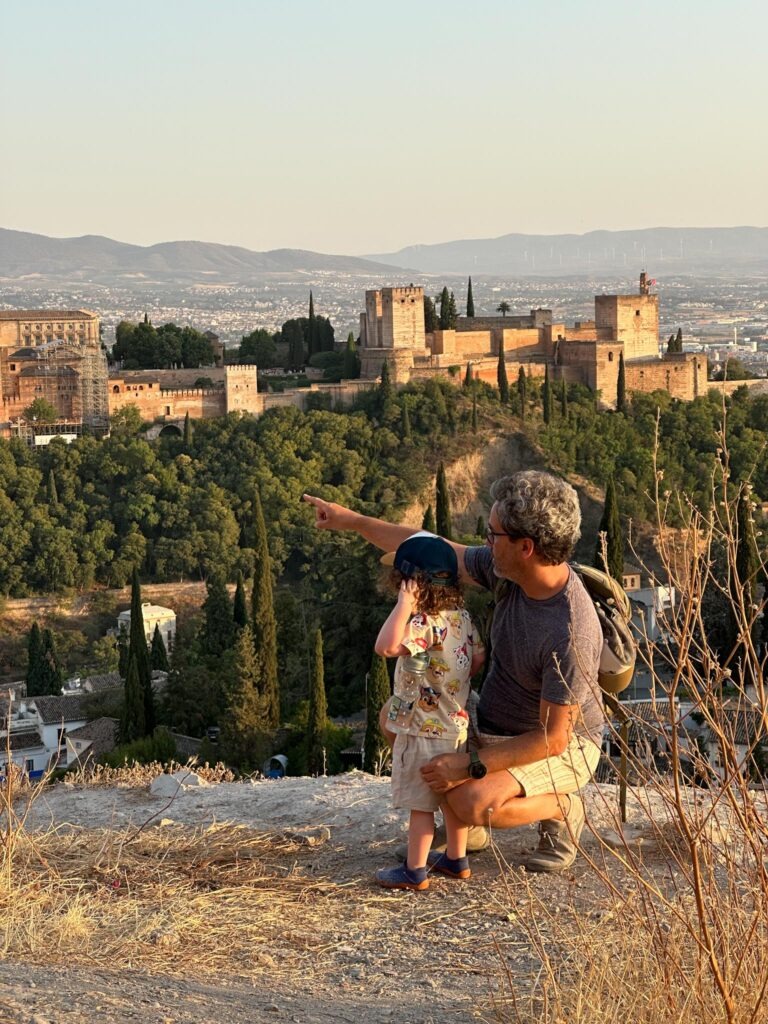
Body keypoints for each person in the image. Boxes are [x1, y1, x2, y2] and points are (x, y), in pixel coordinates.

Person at [303, 469, 604, 873]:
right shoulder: (507, 570)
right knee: (398, 718)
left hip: (560, 743)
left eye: (493, 534)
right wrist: (353, 521)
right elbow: (433, 549)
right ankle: (466, 830)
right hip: (491, 722)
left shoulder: (570, 629)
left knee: (472, 801)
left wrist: (469, 765)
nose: (485, 541)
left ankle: (562, 808)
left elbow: (553, 738)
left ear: (526, 547)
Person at [373, 534, 484, 892]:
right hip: (456, 726)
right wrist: (451, 681)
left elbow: (385, 646)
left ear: (411, 581)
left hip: (422, 729)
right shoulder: (462, 618)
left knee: (421, 805)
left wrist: (405, 605)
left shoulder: (424, 622)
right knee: (450, 796)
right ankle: (456, 859)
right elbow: (478, 657)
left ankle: (414, 870)